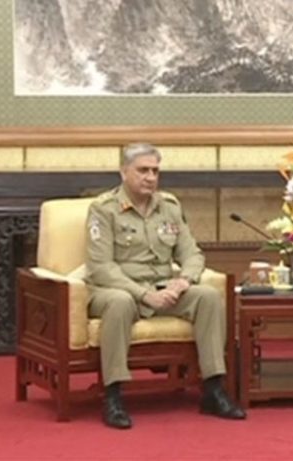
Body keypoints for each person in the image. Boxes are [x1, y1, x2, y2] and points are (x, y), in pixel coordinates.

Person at [86, 143, 246, 429]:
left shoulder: (169, 207)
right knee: (120, 302)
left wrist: (184, 280)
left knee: (207, 296)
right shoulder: (103, 209)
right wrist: (145, 295)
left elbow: (192, 253)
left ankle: (213, 389)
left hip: (162, 288)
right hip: (118, 290)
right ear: (124, 172)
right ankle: (113, 397)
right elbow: (102, 268)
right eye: (142, 170)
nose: (150, 177)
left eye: (155, 171)